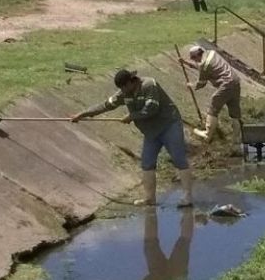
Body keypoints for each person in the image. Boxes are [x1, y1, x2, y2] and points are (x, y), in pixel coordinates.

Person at [70, 69, 193, 208]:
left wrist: (131, 116)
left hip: (169, 125)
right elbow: (105, 105)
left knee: (179, 159)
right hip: (151, 132)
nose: (123, 90)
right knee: (147, 163)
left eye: (124, 86)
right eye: (121, 88)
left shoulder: (149, 85)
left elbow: (151, 109)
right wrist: (84, 114)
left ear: (131, 81)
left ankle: (187, 197)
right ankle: (150, 198)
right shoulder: (124, 93)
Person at [180, 46, 242, 150]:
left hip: (226, 85)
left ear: (197, 55)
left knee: (213, 106)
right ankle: (236, 142)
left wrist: (191, 85)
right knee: (235, 113)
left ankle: (207, 135)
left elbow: (201, 84)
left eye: (193, 58)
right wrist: (186, 63)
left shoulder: (205, 65)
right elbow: (203, 67)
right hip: (235, 82)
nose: (194, 60)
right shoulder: (212, 53)